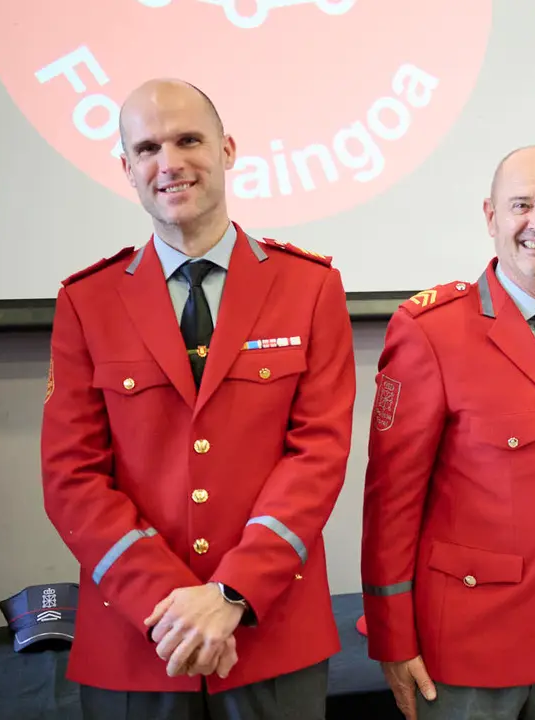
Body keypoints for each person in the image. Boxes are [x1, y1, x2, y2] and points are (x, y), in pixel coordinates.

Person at [40, 78, 357, 719]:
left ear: (229, 149)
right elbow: (71, 478)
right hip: (139, 638)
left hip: (270, 629)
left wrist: (232, 593)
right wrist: (177, 605)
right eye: (149, 147)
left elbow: (317, 456)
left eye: (189, 140)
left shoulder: (310, 287)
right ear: (127, 168)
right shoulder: (87, 301)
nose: (170, 162)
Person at [360, 145, 535, 720]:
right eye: (521, 205)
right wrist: (393, 638)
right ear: (491, 217)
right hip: (468, 650)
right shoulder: (430, 330)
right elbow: (391, 503)